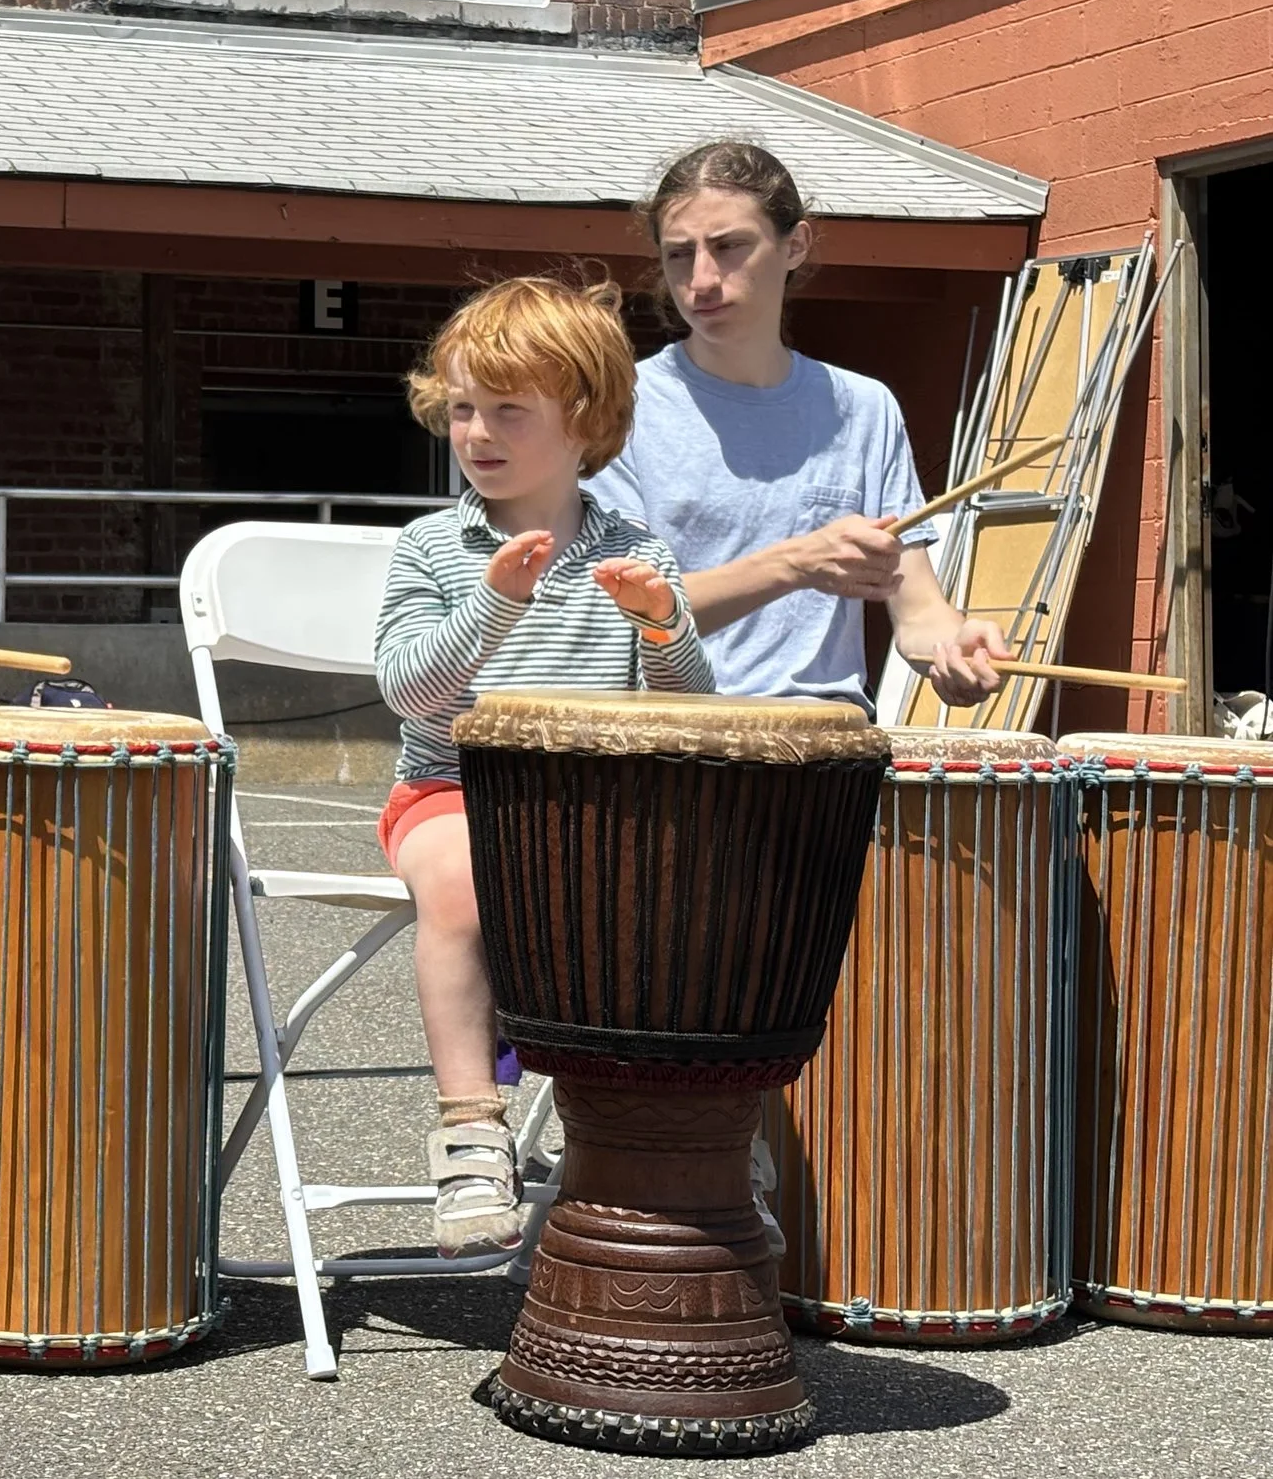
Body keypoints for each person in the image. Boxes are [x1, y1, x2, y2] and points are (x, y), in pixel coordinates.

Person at [374, 276, 715, 1253]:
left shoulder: (636, 549)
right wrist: (492, 605)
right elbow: (407, 692)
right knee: (463, 889)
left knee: (682, 893)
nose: (475, 431)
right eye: (462, 407)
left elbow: (685, 710)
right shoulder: (433, 549)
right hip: (446, 789)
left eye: (506, 410)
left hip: (591, 808)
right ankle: (473, 1130)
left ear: (585, 422)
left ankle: (654, 1121)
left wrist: (658, 626)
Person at [593, 142, 1010, 710]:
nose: (702, 279)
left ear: (796, 244)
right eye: (679, 255)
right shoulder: (623, 407)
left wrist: (954, 644)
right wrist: (795, 563)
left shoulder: (865, 407)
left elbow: (915, 613)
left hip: (824, 753)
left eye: (729, 247)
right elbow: (621, 613)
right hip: (666, 744)